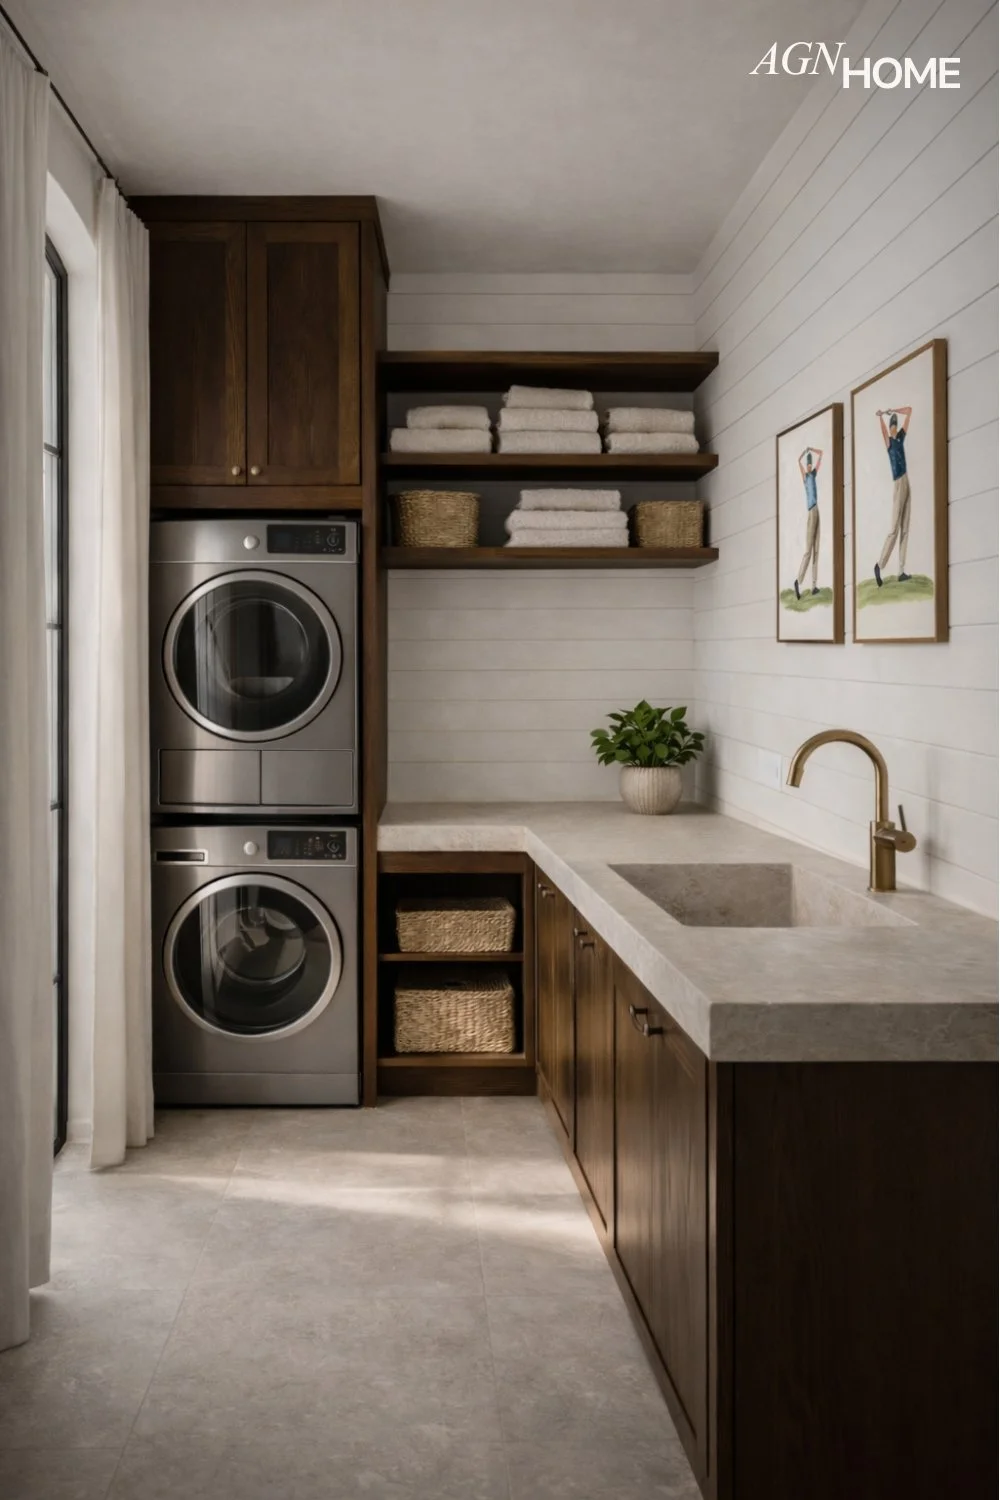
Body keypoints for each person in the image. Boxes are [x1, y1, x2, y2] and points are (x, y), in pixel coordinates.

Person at [874, 406, 912, 586]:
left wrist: (894, 410)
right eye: (892, 426)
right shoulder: (889, 442)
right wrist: (882, 416)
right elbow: (882, 430)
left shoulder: (901, 438)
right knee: (894, 529)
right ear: (890, 428)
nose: (895, 428)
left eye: (895, 425)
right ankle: (880, 565)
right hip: (898, 483)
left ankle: (901, 571)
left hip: (906, 481)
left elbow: (910, 411)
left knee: (905, 528)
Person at [793, 446, 823, 600]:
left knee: (817, 550)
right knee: (809, 551)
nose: (810, 466)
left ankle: (814, 585)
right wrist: (802, 456)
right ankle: (798, 581)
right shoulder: (805, 476)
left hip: (817, 510)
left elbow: (821, 455)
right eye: (808, 464)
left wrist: (812, 449)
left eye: (810, 464)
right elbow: (798, 462)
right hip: (811, 512)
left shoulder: (814, 474)